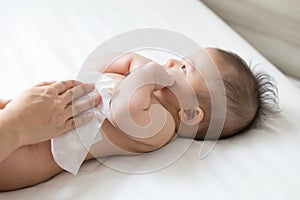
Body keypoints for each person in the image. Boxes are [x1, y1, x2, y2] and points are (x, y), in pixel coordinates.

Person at [0, 48, 279, 191]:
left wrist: (144, 74)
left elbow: (122, 111)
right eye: (179, 59)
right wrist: (133, 61)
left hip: (38, 152)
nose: (169, 63)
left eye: (185, 68)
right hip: (33, 113)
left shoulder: (162, 126)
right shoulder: (140, 85)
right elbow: (95, 68)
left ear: (192, 113)